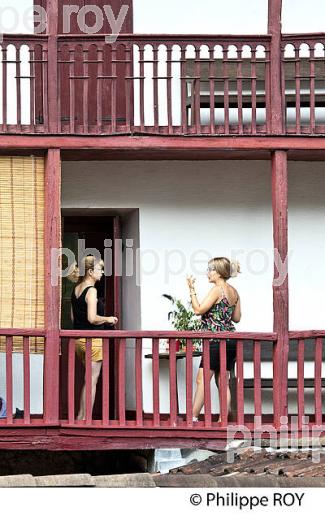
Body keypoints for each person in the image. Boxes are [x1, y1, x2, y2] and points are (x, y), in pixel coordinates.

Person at [187, 257, 241, 422]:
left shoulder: (218, 289)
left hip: (216, 341)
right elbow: (237, 318)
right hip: (230, 340)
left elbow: (198, 310)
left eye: (210, 269)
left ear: (219, 273)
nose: (208, 273)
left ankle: (193, 418)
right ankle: (223, 418)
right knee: (222, 381)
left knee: (201, 379)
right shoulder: (234, 291)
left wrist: (191, 289)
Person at [68, 255, 118, 420]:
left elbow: (74, 318)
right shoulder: (92, 290)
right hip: (93, 341)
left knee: (87, 380)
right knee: (92, 381)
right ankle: (85, 419)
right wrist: (108, 319)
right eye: (99, 269)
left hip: (78, 341)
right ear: (90, 272)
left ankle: (80, 417)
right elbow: (92, 318)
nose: (102, 272)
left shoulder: (76, 289)